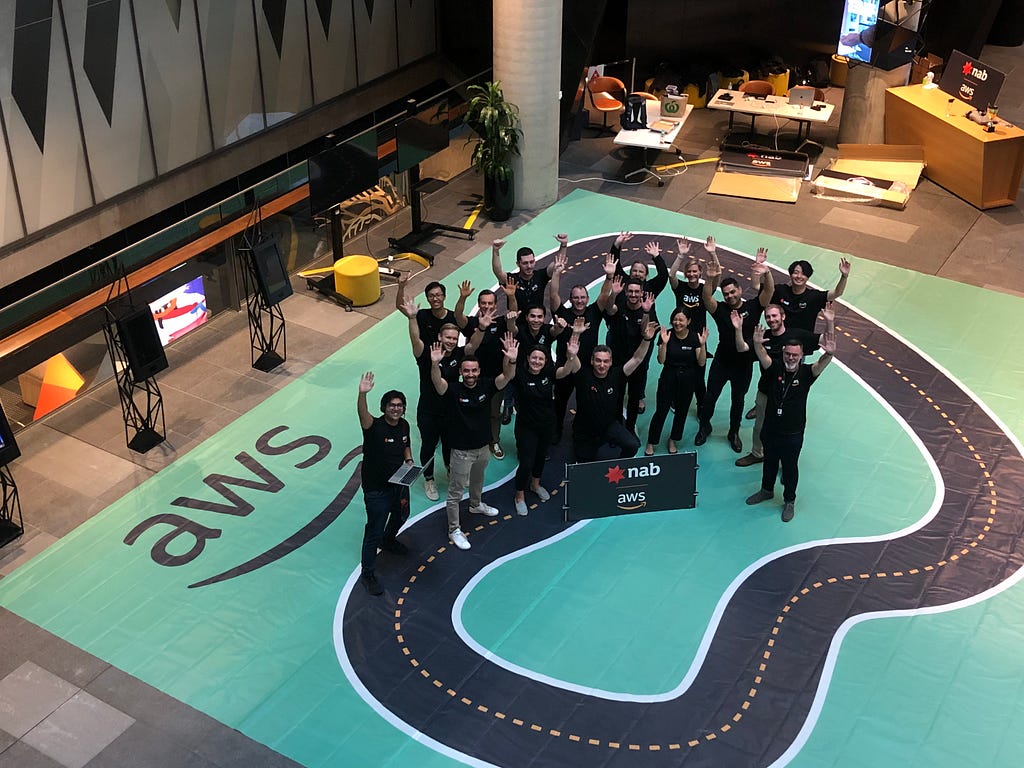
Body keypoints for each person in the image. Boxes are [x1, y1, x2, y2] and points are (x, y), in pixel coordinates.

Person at [431, 334, 518, 551]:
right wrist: (434, 364)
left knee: (478, 481)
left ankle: (476, 505)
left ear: (479, 372)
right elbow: (437, 381)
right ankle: (454, 530)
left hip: (482, 448)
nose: (470, 374)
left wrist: (512, 359)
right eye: (466, 371)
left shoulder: (487, 386)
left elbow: (507, 376)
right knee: (455, 493)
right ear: (461, 372)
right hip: (461, 452)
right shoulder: (452, 390)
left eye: (474, 370)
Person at [744, 325, 836, 522]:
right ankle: (766, 490)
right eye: (787, 354)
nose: (791, 358)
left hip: (793, 433)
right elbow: (762, 355)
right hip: (770, 429)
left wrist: (830, 352)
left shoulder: (806, 373)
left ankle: (789, 501)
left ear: (802, 355)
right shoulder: (774, 367)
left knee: (790, 466)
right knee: (769, 461)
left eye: (795, 355)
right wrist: (758, 343)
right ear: (783, 353)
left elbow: (823, 361)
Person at [695, 242, 773, 452]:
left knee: (737, 401)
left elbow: (768, 292)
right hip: (722, 361)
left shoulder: (753, 307)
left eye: (732, 292)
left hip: (744, 364)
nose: (729, 296)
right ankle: (704, 427)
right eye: (726, 293)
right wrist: (710, 278)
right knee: (710, 397)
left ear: (739, 290)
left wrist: (766, 272)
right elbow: (706, 297)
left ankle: (734, 432)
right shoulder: (720, 309)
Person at [735, 302, 834, 467]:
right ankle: (757, 453)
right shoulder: (762, 337)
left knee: (786, 432)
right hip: (766, 391)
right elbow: (742, 348)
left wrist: (829, 322)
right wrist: (739, 329)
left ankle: (784, 463)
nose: (771, 319)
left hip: (789, 395)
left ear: (783, 317)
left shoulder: (797, 335)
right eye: (768, 316)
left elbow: (827, 341)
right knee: (760, 426)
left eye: (774, 316)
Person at [356, 372, 412, 596]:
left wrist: (409, 459)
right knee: (373, 530)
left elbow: (405, 445)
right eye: (391, 405)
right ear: (384, 407)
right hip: (376, 489)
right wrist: (362, 394)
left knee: (402, 514)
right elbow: (362, 414)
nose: (396, 409)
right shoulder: (373, 426)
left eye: (399, 405)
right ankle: (367, 573)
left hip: (399, 483)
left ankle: (388, 540)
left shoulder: (405, 425)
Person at [511, 335, 581, 515]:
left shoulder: (549, 373)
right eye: (534, 357)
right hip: (526, 426)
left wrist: (572, 356)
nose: (537, 361)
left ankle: (535, 484)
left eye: (541, 358)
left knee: (541, 457)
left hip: (547, 424)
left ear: (545, 361)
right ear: (527, 358)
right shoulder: (519, 374)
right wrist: (510, 359)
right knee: (526, 462)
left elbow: (566, 371)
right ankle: (519, 495)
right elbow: (507, 373)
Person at [401, 298, 463, 501]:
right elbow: (414, 340)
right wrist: (412, 318)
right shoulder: (426, 354)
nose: (451, 341)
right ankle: (428, 478)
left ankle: (449, 470)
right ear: (440, 336)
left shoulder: (460, 355)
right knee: (428, 444)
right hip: (428, 409)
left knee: (449, 443)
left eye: (454, 338)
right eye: (448, 337)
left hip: (450, 409)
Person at [572, 321, 659, 463]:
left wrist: (647, 339)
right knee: (584, 458)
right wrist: (575, 335)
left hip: (609, 426)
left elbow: (637, 359)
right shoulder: (583, 375)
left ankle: (620, 465)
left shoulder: (617, 375)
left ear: (611, 362)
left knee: (632, 445)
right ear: (592, 361)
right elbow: (572, 356)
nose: (602, 365)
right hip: (585, 429)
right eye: (598, 361)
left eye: (606, 361)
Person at [454, 280, 517, 459]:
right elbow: (458, 317)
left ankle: (494, 440)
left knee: (494, 413)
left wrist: (511, 296)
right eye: (484, 303)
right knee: (470, 410)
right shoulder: (472, 322)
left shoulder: (502, 322)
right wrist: (462, 298)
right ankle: (471, 437)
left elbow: (513, 314)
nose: (487, 306)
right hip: (473, 378)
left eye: (490, 303)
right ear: (479, 304)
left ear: (496, 305)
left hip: (496, 377)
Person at [547, 251, 603, 442]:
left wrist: (610, 275)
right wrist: (556, 273)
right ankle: (555, 431)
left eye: (583, 297)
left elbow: (605, 294)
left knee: (585, 402)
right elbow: (553, 294)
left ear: (588, 298)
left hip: (587, 368)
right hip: (565, 366)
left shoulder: (595, 312)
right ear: (571, 299)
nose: (579, 300)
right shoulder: (562, 313)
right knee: (560, 402)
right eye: (576, 297)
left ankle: (582, 431)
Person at [599, 255, 658, 432]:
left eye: (636, 292)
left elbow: (645, 332)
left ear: (642, 293)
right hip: (618, 360)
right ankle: (615, 424)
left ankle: (630, 427)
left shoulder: (647, 310)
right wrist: (613, 294)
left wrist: (646, 312)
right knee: (616, 395)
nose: (633, 294)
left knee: (633, 397)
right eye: (630, 291)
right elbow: (610, 309)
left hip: (636, 362)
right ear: (626, 293)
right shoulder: (620, 305)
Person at [644, 309, 708, 456]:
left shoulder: (694, 338)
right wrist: (664, 344)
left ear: (688, 322)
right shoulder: (666, 335)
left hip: (688, 379)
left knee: (682, 412)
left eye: (681, 320)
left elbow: (701, 361)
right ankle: (651, 441)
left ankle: (673, 439)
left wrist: (703, 345)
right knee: (661, 411)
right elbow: (661, 361)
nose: (677, 323)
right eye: (675, 319)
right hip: (668, 376)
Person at [667, 237, 710, 414]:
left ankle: (701, 405)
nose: (692, 274)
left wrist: (713, 254)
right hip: (680, 335)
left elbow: (716, 279)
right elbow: (671, 275)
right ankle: (676, 400)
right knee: (678, 369)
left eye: (695, 271)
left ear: (700, 273)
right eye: (689, 272)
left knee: (699, 374)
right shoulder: (681, 287)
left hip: (699, 338)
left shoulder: (705, 290)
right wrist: (680, 255)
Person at [771, 257, 850, 333]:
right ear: (790, 275)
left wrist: (844, 276)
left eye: (803, 274)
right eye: (796, 273)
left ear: (808, 277)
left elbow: (837, 293)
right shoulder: (780, 291)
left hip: (803, 342)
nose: (799, 276)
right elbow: (759, 287)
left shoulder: (813, 297)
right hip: (780, 339)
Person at [492, 234, 566, 310]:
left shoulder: (540, 276)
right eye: (525, 263)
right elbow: (498, 272)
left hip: (537, 319)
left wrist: (563, 245)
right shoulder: (512, 280)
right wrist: (495, 251)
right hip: (517, 320)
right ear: (518, 264)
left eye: (531, 262)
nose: (529, 266)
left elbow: (558, 263)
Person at [396, 274, 456, 341]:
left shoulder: (454, 317)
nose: (435, 299)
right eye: (431, 296)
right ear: (427, 299)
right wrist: (401, 287)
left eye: (438, 295)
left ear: (444, 297)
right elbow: (400, 306)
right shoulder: (421, 315)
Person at [609, 232, 669, 298]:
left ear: (646, 274)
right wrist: (617, 245)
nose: (637, 274)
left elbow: (663, 275)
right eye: (634, 270)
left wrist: (657, 256)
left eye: (641, 272)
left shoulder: (651, 287)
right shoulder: (621, 281)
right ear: (630, 272)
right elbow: (614, 264)